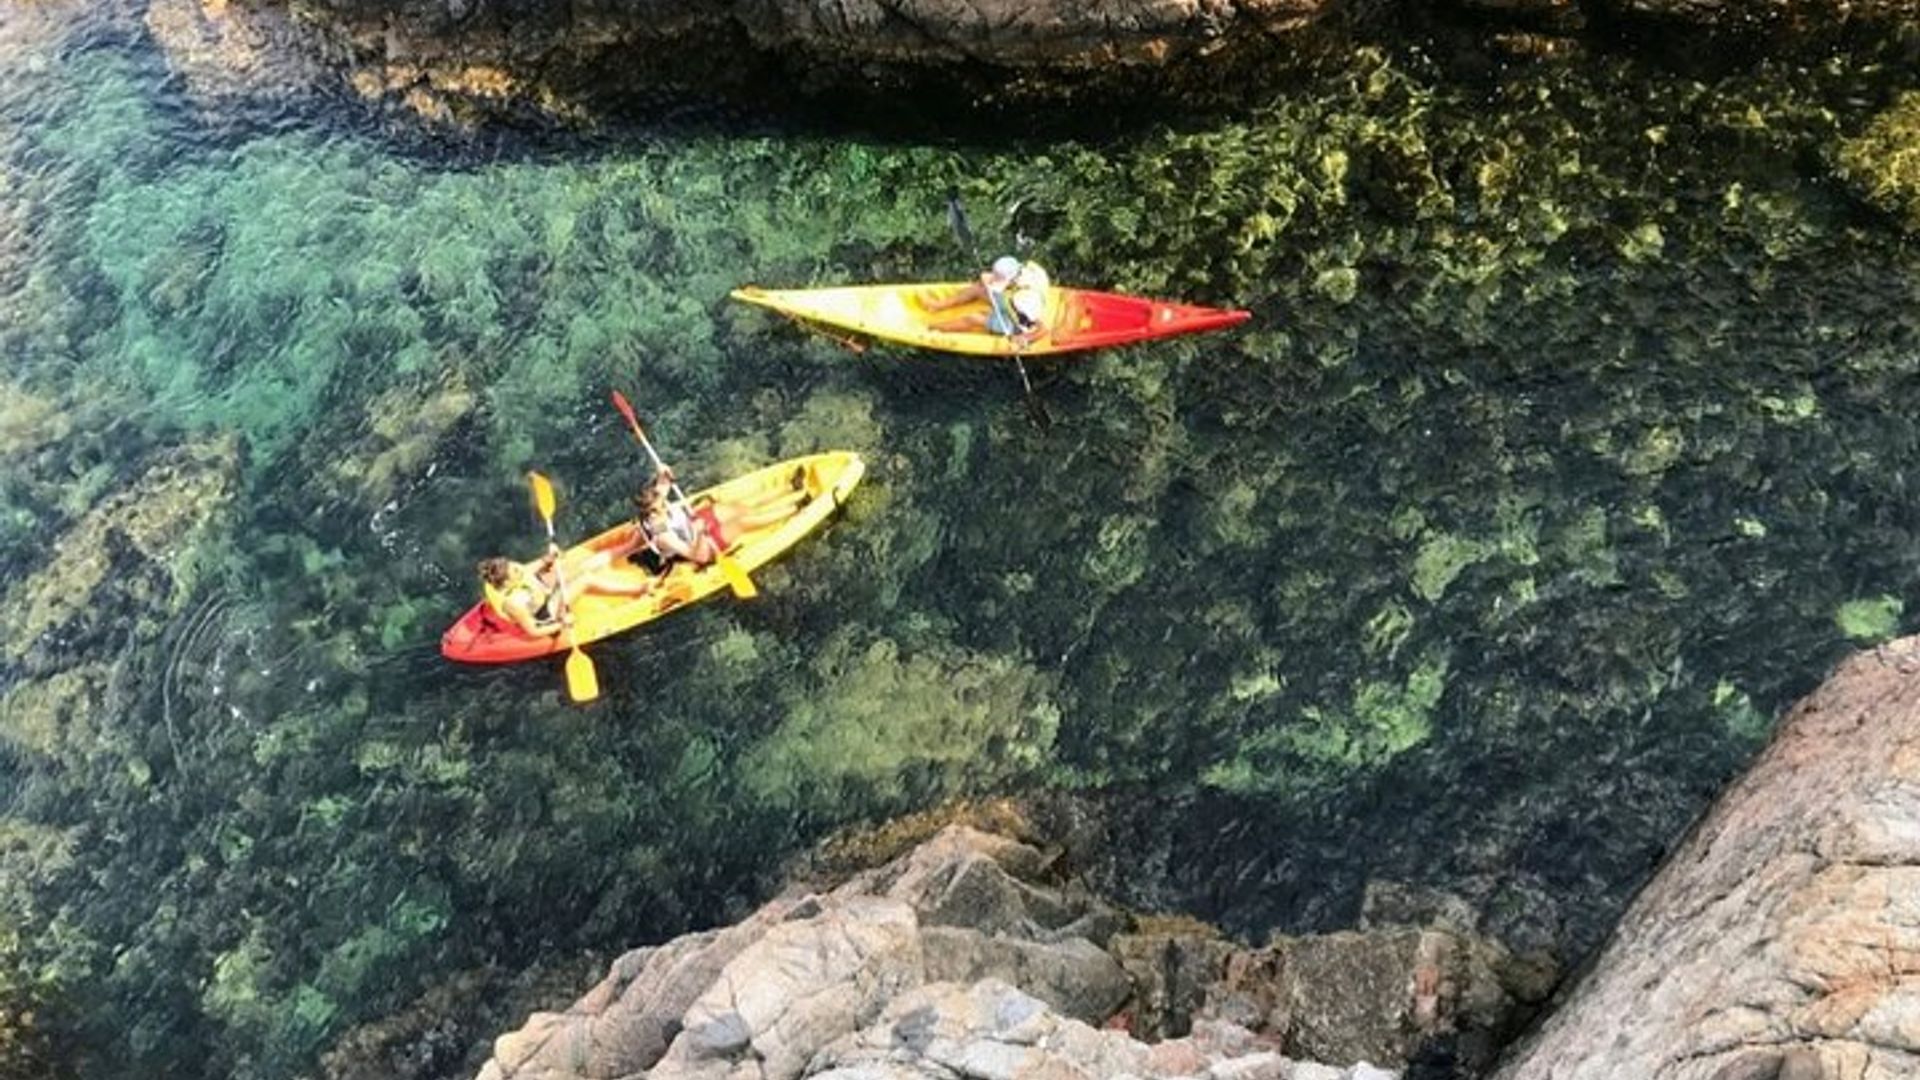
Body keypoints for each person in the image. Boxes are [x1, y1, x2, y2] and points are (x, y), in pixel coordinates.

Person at [635, 465, 807, 569]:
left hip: (695, 524)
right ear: (652, 512)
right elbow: (698, 556)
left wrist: (662, 471)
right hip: (702, 546)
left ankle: (791, 487)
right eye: (661, 506)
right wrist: (700, 534)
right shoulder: (664, 537)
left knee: (740, 507)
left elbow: (664, 482)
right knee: (742, 522)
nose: (665, 504)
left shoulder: (656, 503)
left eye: (662, 500)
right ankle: (796, 507)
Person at [477, 541, 652, 638]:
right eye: (514, 570)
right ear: (508, 583)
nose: (518, 567)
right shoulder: (514, 603)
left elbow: (539, 565)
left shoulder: (518, 573)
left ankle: (632, 545)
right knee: (586, 579)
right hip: (548, 615)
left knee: (586, 565)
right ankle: (638, 590)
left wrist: (551, 556)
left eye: (513, 564)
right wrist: (561, 623)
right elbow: (534, 631)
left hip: (547, 593)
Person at [923, 254, 1051, 347]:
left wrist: (1025, 338)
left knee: (974, 318)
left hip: (1013, 322)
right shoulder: (1022, 271)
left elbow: (1044, 329)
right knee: (978, 288)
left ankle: (933, 329)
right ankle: (937, 305)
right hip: (1011, 299)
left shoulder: (1028, 303)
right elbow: (991, 280)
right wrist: (989, 282)